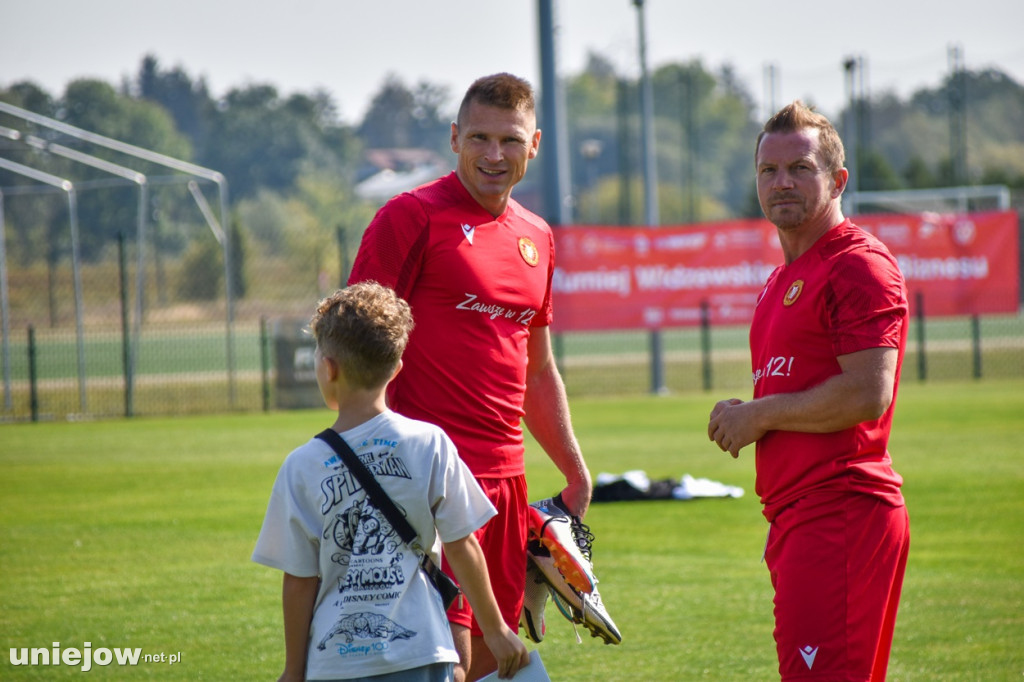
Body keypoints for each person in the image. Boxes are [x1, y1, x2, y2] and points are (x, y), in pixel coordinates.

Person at [348, 73, 593, 681]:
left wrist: (573, 468)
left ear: (533, 145)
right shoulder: (410, 218)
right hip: (421, 482)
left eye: (509, 140)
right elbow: (354, 349)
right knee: (442, 661)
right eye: (478, 137)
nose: (493, 154)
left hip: (505, 489)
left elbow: (537, 370)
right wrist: (370, 463)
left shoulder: (537, 236)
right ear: (455, 138)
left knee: (494, 658)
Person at [707, 101, 911, 681]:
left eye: (800, 168)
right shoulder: (780, 279)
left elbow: (867, 393)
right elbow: (802, 386)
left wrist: (762, 416)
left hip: (842, 512)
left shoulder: (857, 264)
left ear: (838, 179)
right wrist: (747, 413)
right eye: (768, 171)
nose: (782, 182)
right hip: (798, 519)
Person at [252, 282, 529, 682]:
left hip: (336, 662)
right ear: (397, 369)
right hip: (423, 652)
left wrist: (294, 670)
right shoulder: (429, 443)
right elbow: (462, 543)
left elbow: (299, 579)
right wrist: (497, 629)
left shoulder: (302, 466)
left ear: (328, 368)